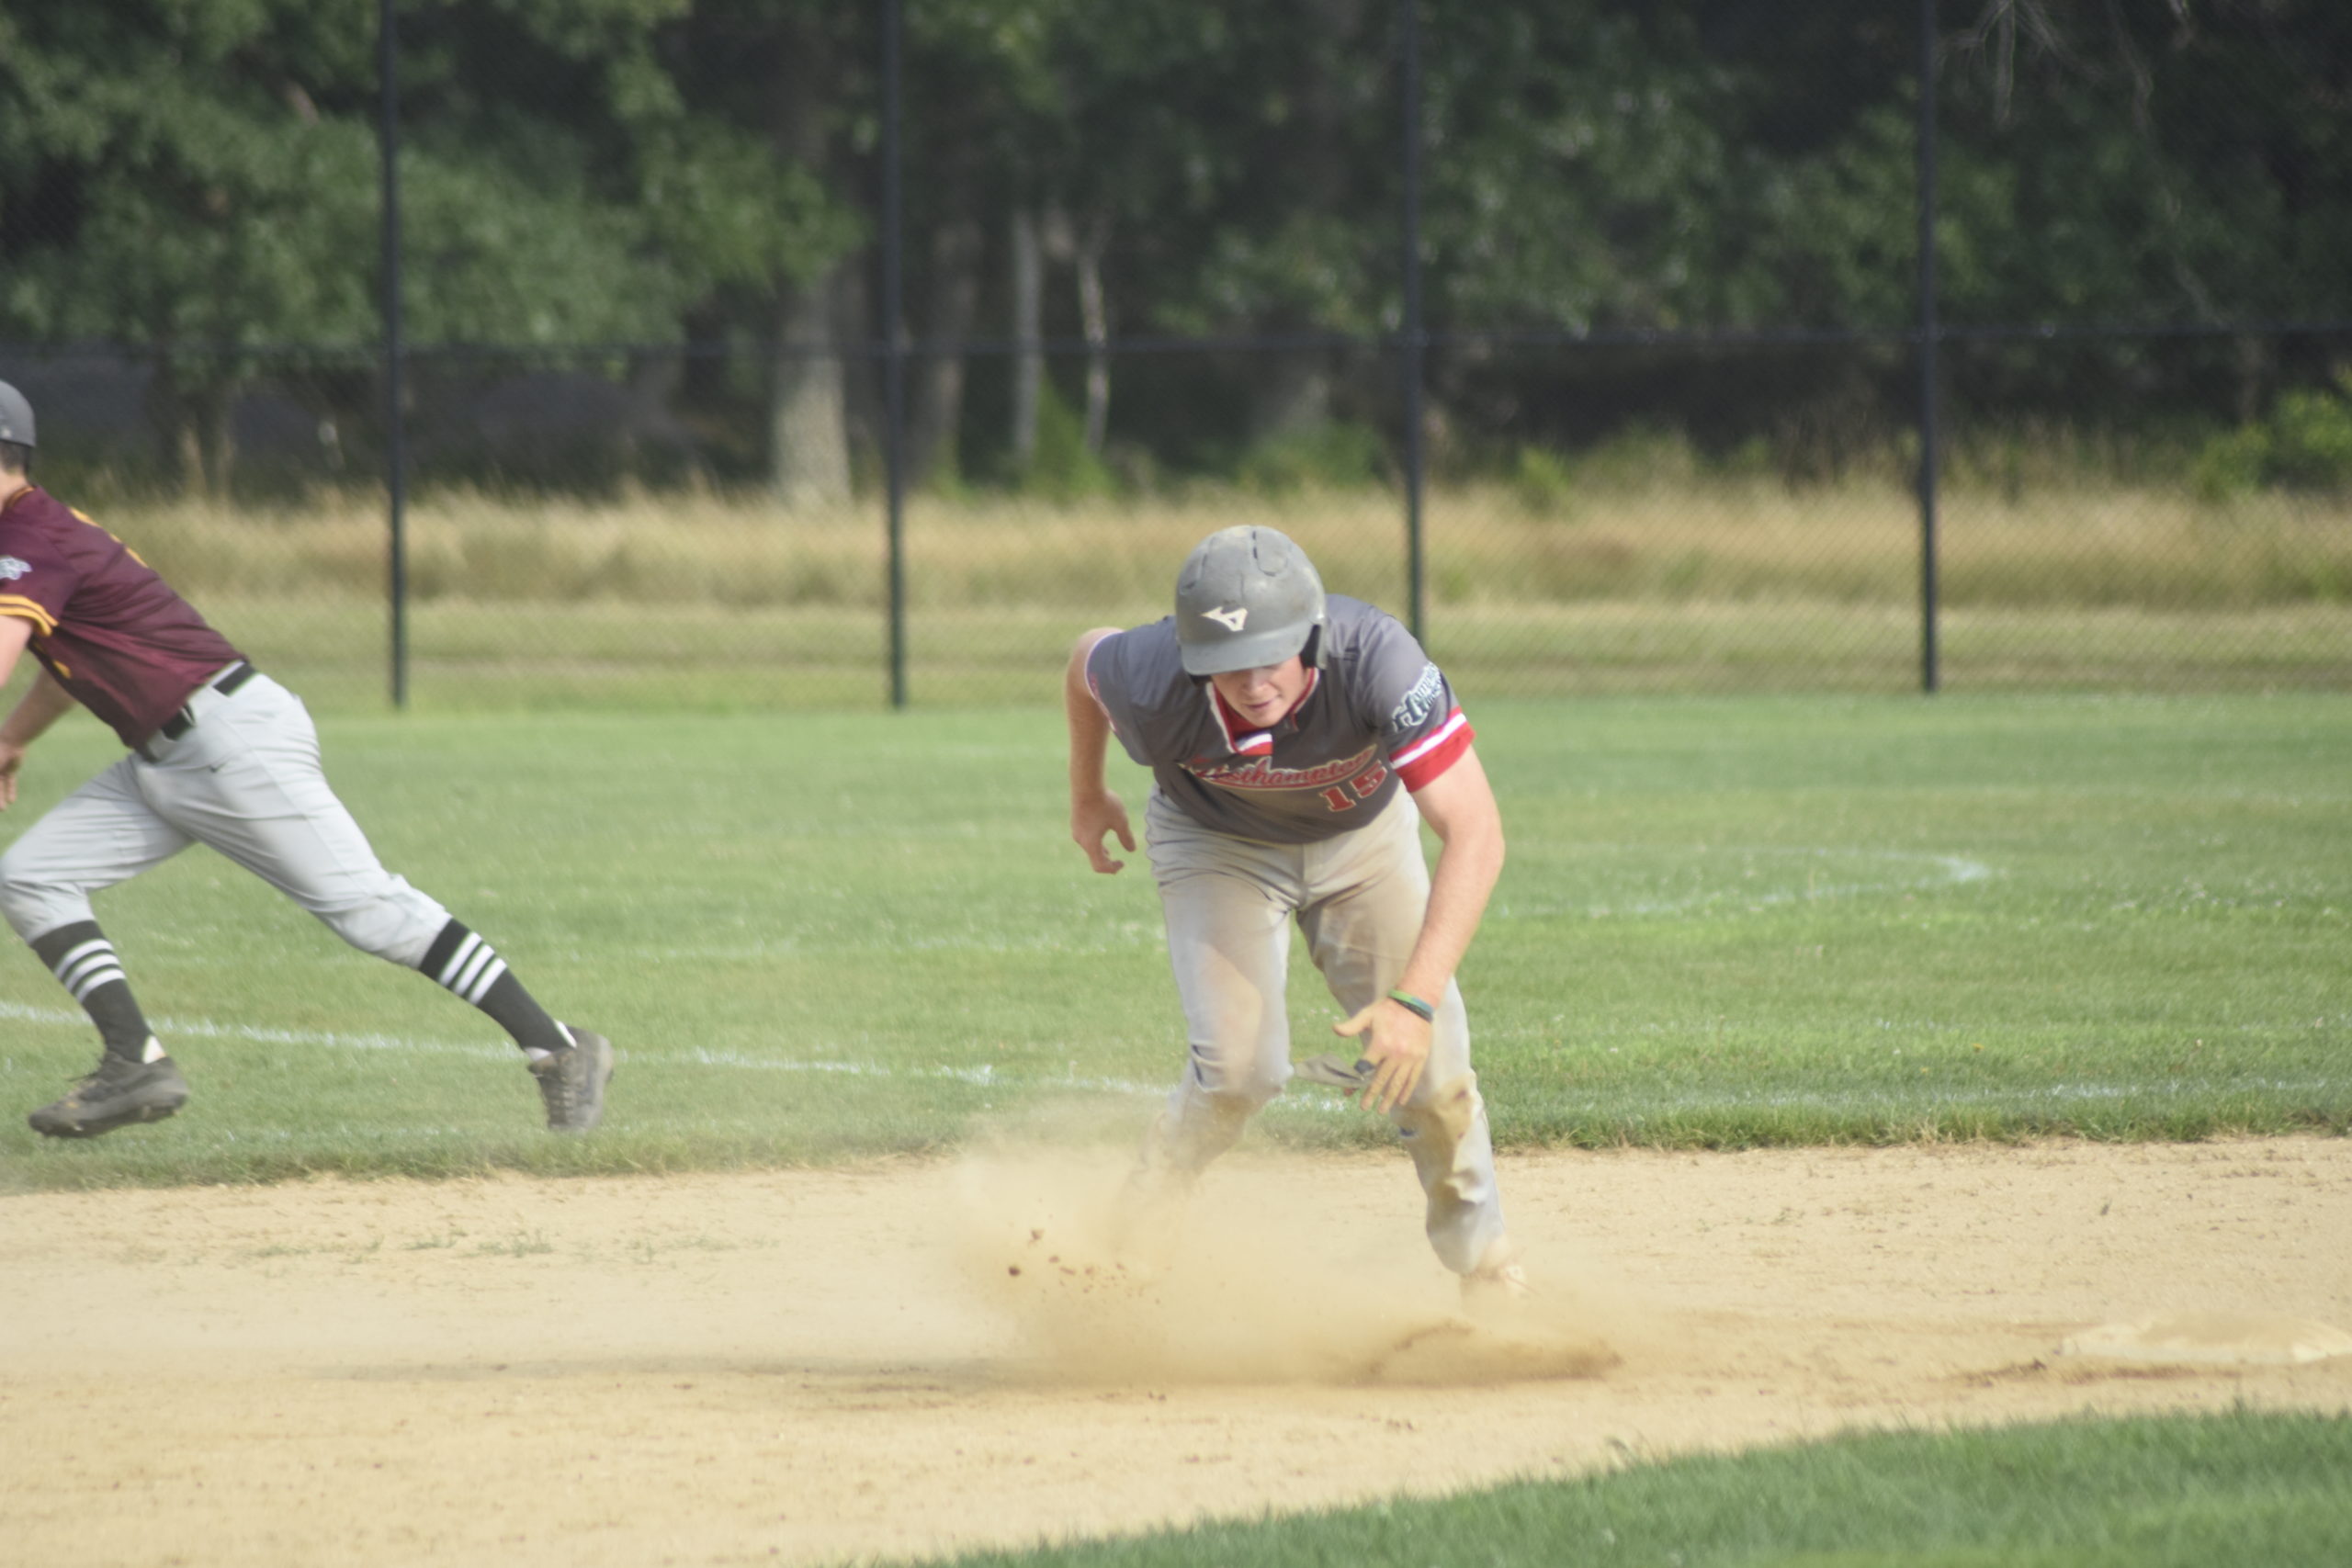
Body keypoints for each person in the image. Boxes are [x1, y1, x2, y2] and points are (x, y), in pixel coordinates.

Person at [0, 378, 613, 1138]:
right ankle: (136, 1061)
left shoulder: (29, 537)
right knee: (31, 873)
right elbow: (64, 661)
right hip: (168, 760)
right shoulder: (34, 532)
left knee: (372, 913)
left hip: (229, 741)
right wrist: (14, 737)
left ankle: (560, 1048)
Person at [1065, 524, 1527, 1307]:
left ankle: (1486, 1268)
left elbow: (1478, 832)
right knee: (1240, 1071)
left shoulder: (1378, 659)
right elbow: (1084, 661)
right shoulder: (1153, 678)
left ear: (1310, 635)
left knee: (1436, 1069)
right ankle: (1150, 1201)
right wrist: (1086, 791)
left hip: (1363, 843)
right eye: (1226, 663)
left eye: (1269, 655)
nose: (1251, 683)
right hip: (1217, 843)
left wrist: (1412, 1001)